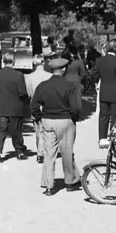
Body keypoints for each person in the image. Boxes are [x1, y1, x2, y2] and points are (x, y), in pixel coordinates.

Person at [30, 53, 82, 195]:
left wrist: (40, 117)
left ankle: (49, 185)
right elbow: (75, 107)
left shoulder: (43, 86)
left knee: (49, 153)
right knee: (67, 151)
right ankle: (70, 182)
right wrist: (74, 119)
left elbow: (34, 106)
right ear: (64, 69)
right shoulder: (70, 86)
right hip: (66, 120)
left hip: (48, 120)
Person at [0, 51, 31, 162]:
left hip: (1, 106)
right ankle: (19, 152)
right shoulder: (18, 75)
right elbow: (22, 92)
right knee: (16, 130)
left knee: (0, 129)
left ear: (3, 61)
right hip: (15, 106)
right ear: (14, 61)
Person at [93, 43, 116, 148]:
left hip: (104, 92)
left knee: (103, 116)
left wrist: (95, 83)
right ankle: (113, 138)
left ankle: (102, 138)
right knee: (115, 117)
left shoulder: (99, 61)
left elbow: (94, 74)